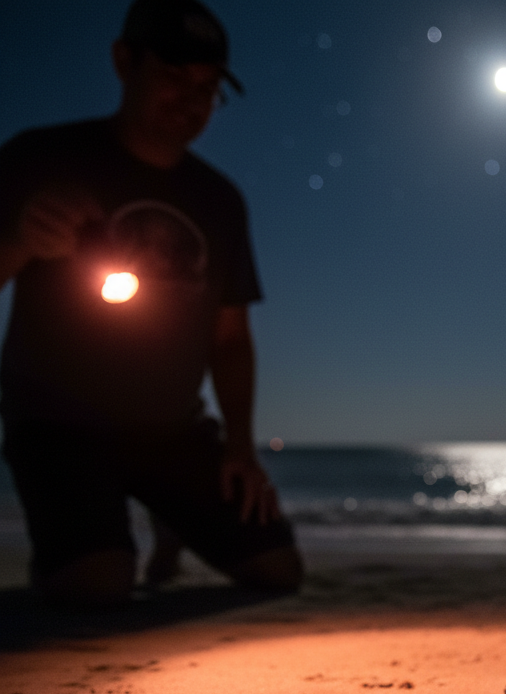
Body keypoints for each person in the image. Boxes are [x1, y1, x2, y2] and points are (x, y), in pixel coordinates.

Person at [0, 0, 302, 604]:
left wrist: (240, 448)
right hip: (57, 427)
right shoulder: (40, 157)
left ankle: (171, 525)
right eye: (173, 77)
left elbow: (230, 337)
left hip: (172, 432)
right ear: (124, 62)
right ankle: (76, 551)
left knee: (278, 569)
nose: (191, 100)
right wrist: (18, 239)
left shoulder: (219, 200)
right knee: (100, 584)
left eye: (208, 88)